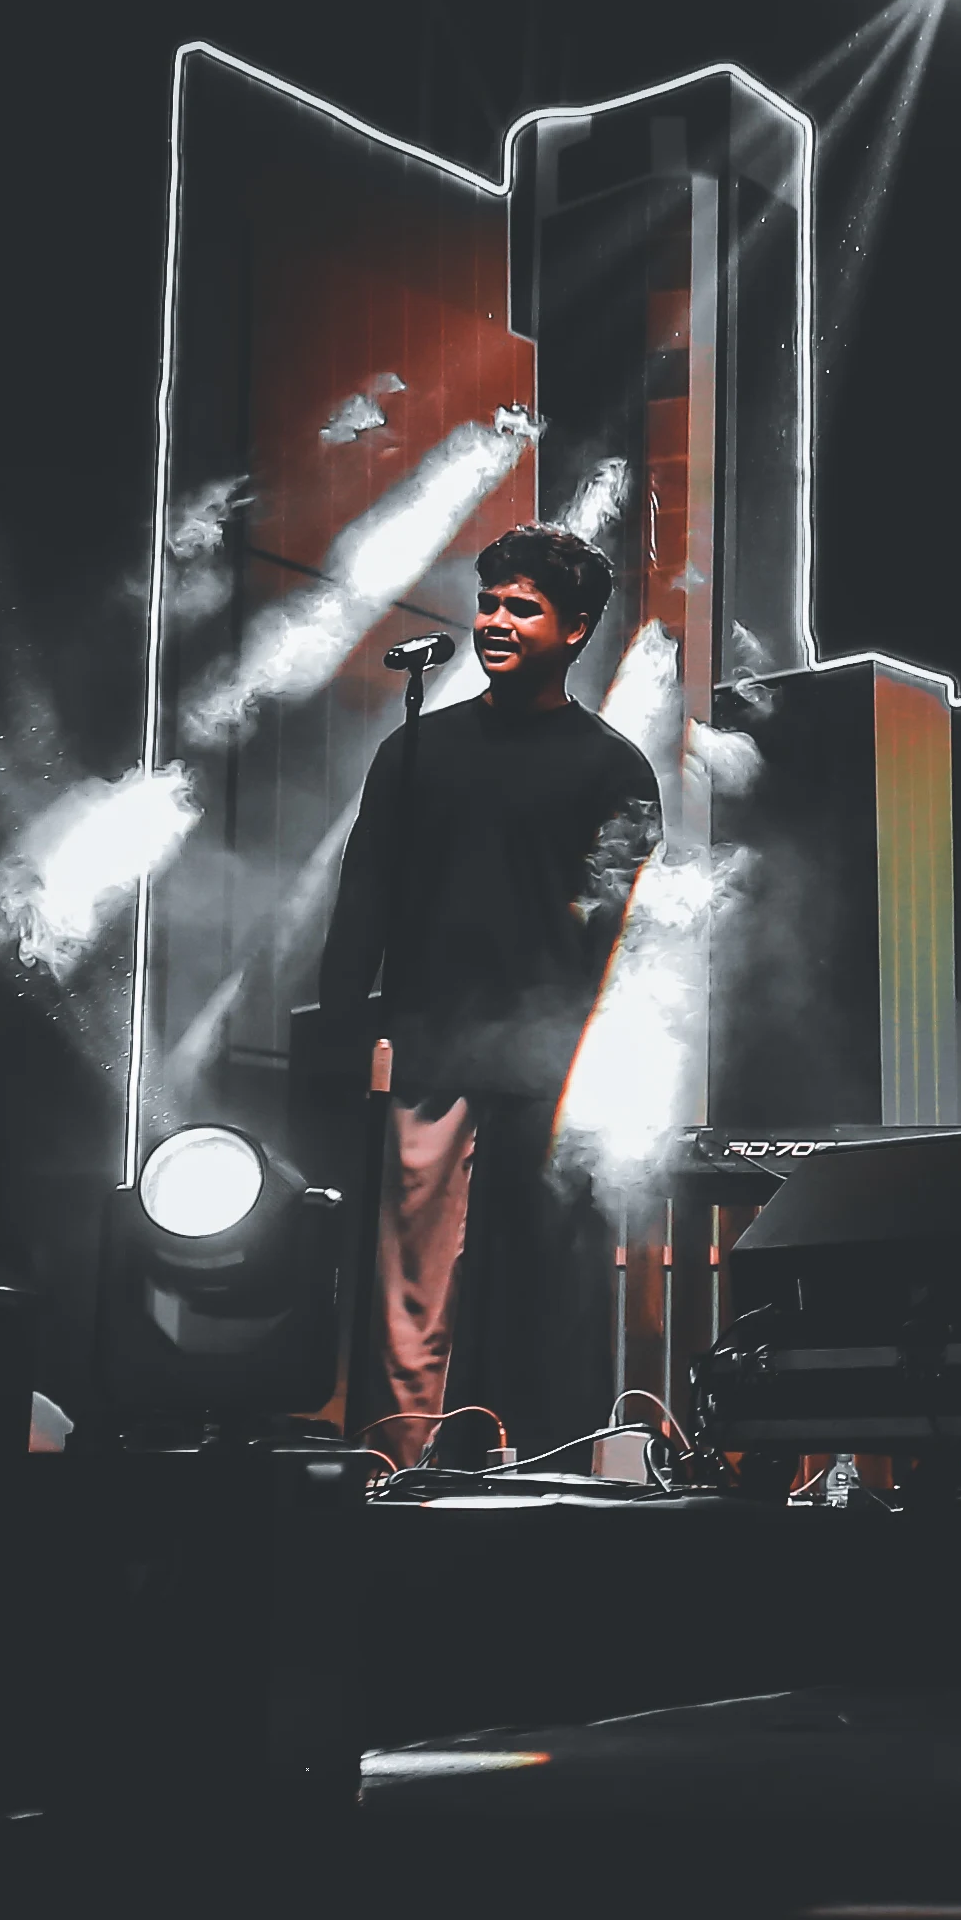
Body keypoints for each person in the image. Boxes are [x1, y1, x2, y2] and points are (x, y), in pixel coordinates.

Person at [312, 521, 662, 1473]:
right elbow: (362, 900)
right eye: (491, 603)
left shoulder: (616, 769)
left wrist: (592, 1059)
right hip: (432, 1054)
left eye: (524, 607)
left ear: (576, 628)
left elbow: (614, 934)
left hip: (552, 1072)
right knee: (412, 1290)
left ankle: (546, 1469)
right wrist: (343, 1027)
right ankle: (398, 1469)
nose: (498, 621)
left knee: (543, 1286)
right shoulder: (415, 751)